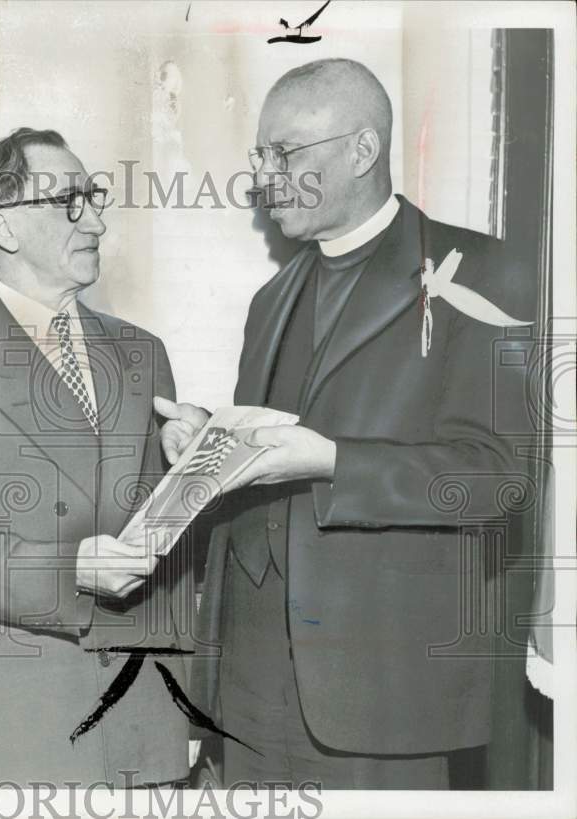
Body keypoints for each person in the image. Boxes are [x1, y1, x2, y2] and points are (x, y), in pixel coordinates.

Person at [158, 59, 533, 788]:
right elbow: (269, 453)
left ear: (363, 150)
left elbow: (498, 477)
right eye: (259, 156)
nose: (264, 178)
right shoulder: (271, 298)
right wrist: (211, 440)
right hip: (249, 686)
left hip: (382, 693)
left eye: (284, 154)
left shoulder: (481, 273)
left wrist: (333, 459)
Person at [0, 128, 190, 786]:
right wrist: (72, 569)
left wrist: (198, 466)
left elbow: (166, 543)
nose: (98, 220)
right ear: (6, 225)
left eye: (96, 197)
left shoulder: (145, 354)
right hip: (19, 739)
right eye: (70, 201)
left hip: (146, 731)